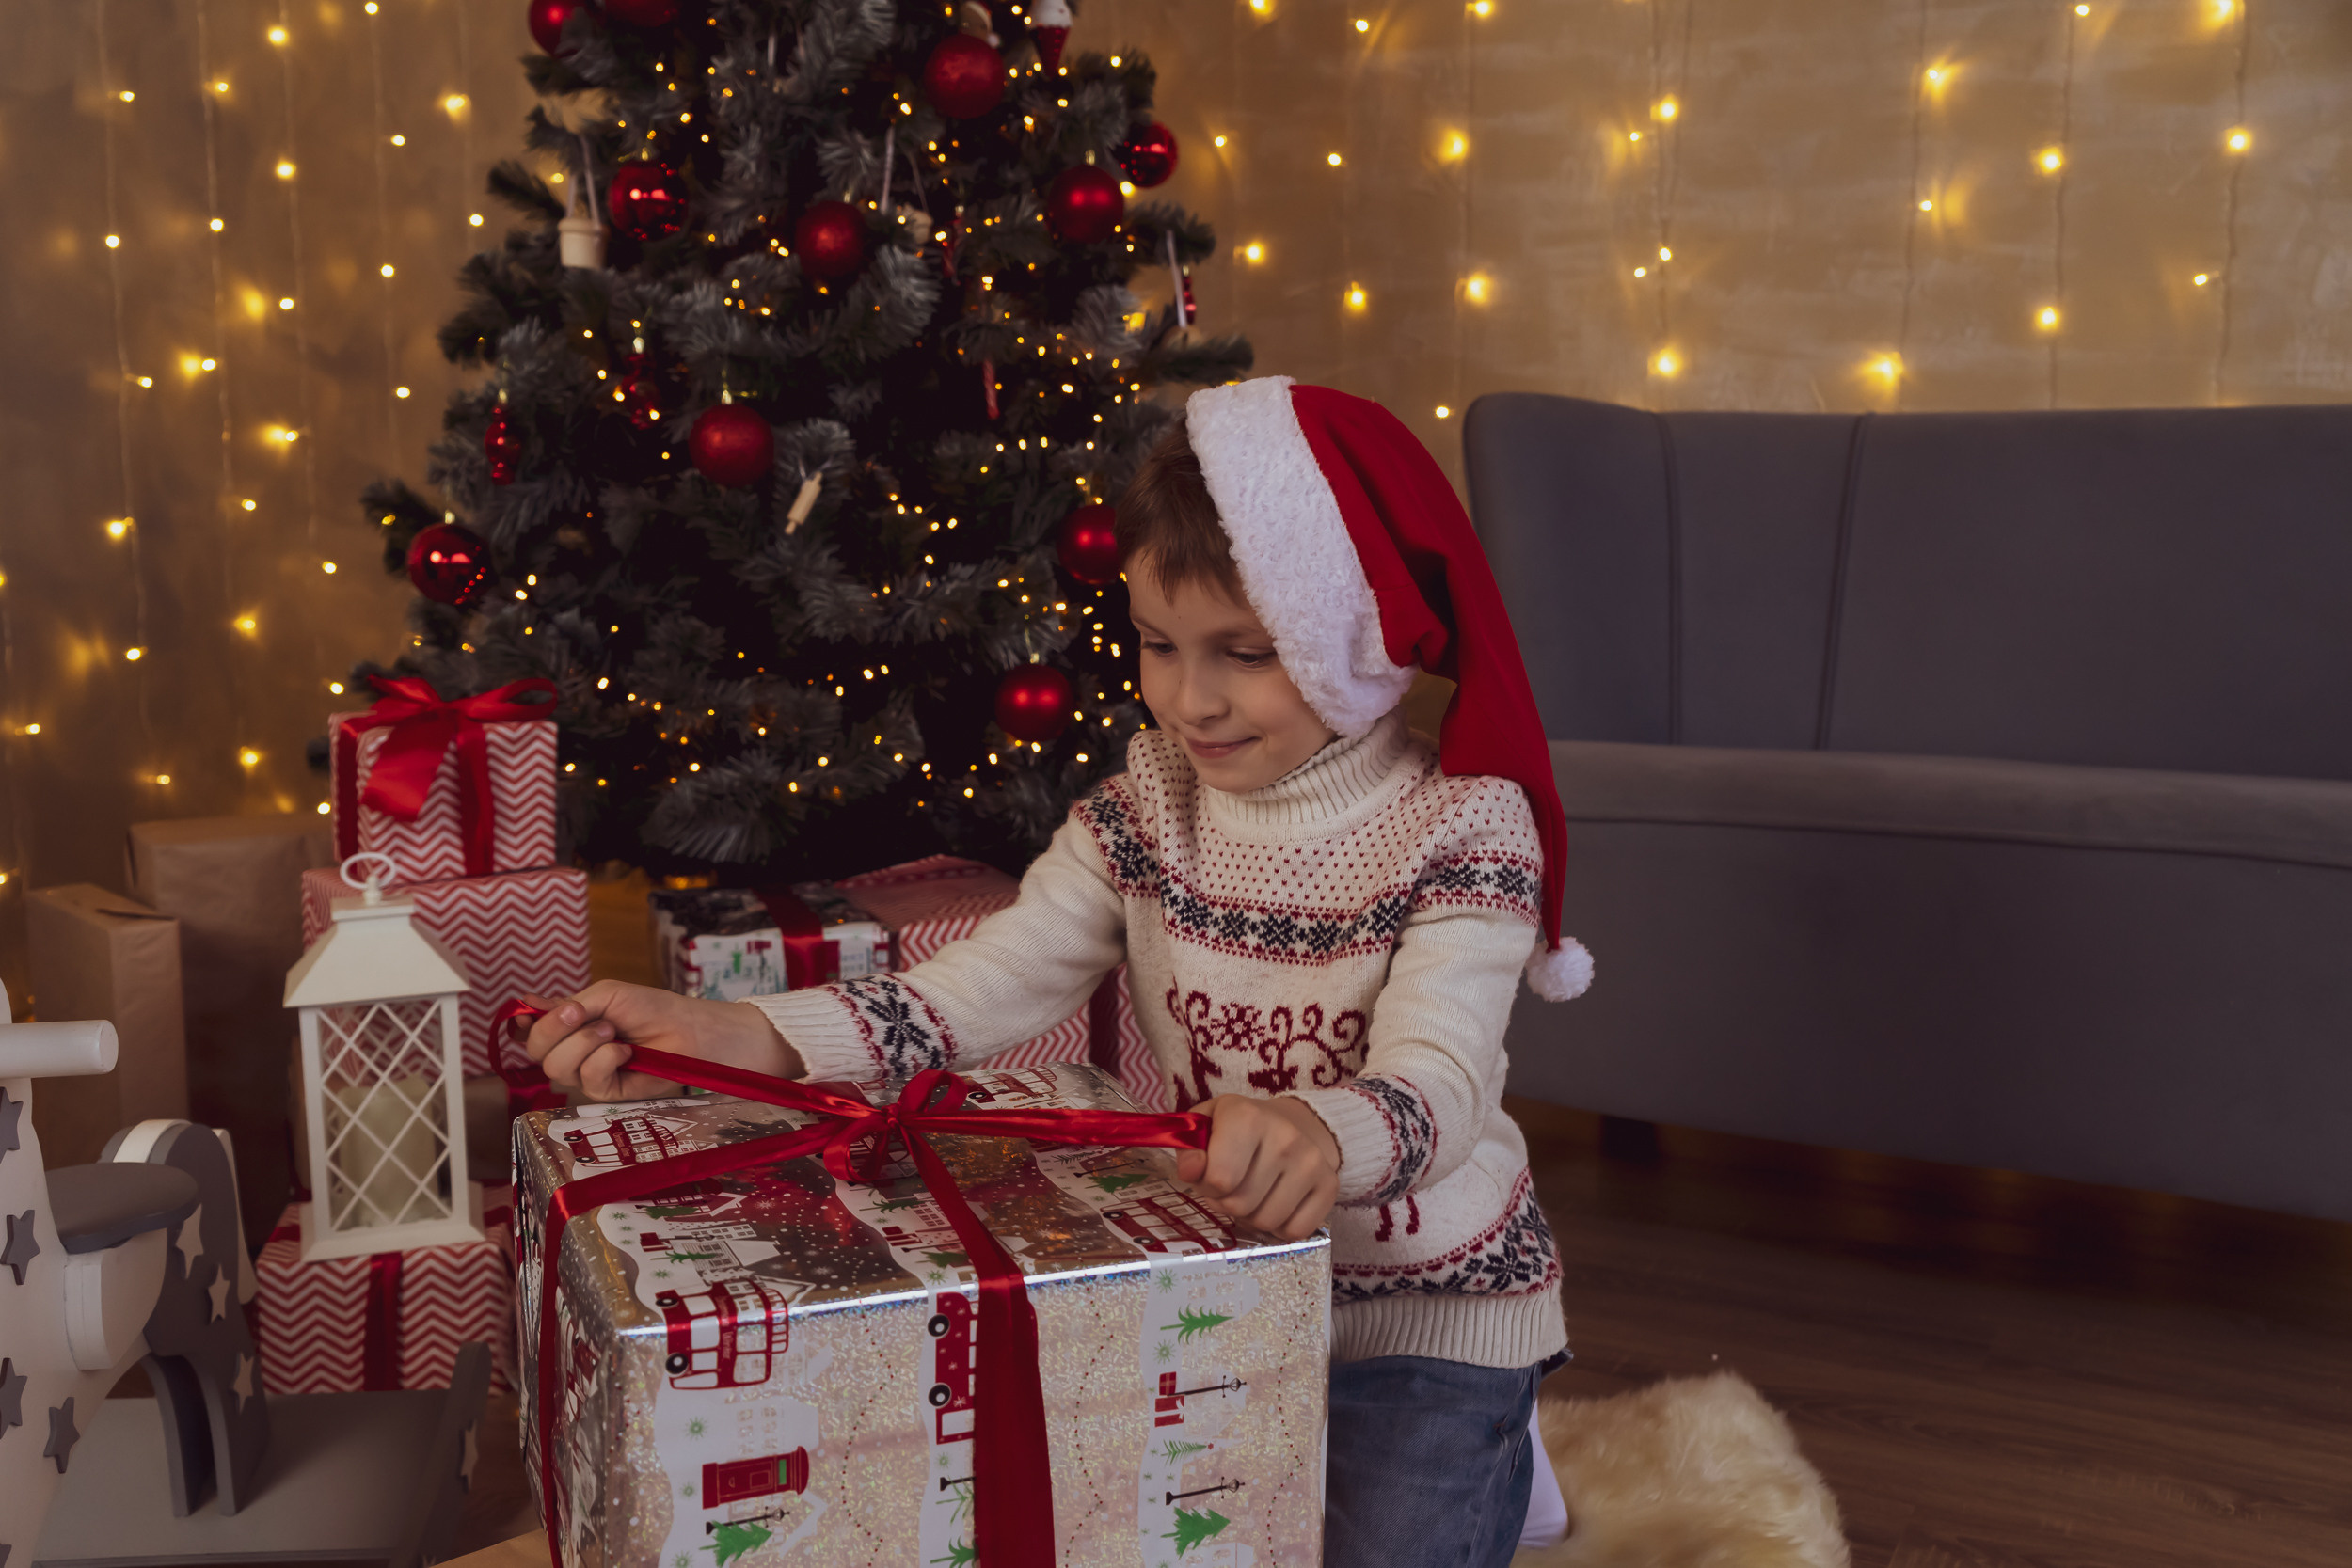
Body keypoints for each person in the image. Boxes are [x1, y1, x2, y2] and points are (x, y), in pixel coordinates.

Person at [524, 375, 1592, 1567]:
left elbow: (1438, 1074)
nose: (1190, 697)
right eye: (1155, 642)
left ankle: (1491, 1430)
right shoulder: (1147, 805)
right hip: (1217, 1273)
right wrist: (749, 1036)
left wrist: (1320, 1131)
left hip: (1417, 1302)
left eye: (1244, 653)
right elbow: (983, 985)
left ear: (1357, 638)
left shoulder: (1465, 825)